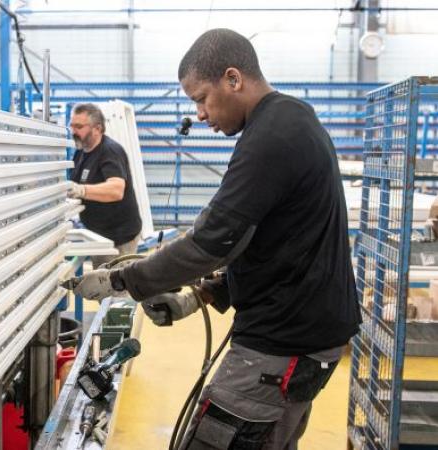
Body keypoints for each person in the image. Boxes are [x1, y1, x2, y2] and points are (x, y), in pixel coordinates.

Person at [69, 29, 361, 450]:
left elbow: (212, 242)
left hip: (281, 345)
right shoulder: (289, 121)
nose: (201, 115)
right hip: (304, 337)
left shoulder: (272, 137)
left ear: (233, 79)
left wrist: (123, 281)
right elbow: (270, 244)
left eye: (201, 98)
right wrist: (202, 296)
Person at [68, 103, 142, 267]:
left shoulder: (110, 151)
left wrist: (81, 190)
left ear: (97, 128)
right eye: (71, 125)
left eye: (79, 126)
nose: (73, 131)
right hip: (99, 234)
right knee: (100, 285)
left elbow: (116, 190)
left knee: (116, 287)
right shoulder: (81, 152)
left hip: (119, 238)